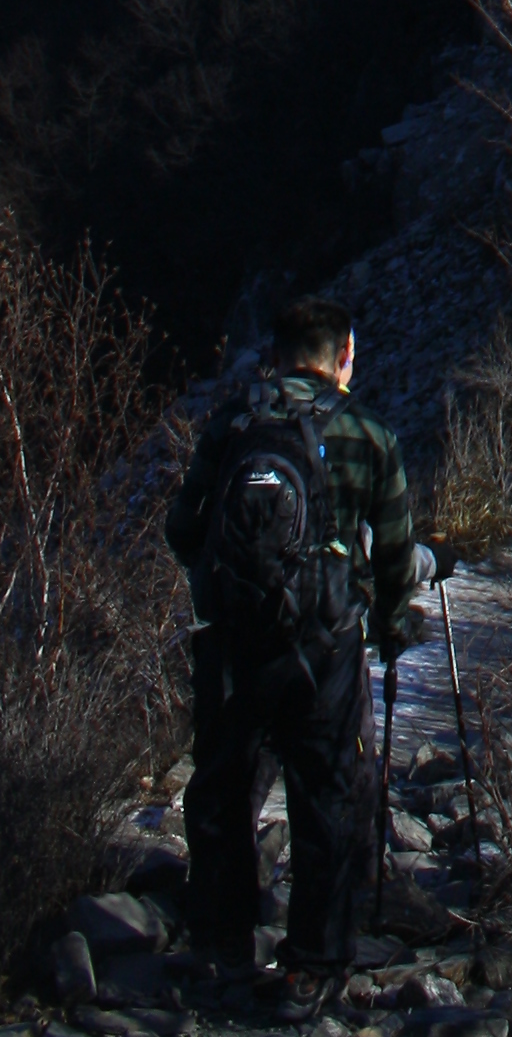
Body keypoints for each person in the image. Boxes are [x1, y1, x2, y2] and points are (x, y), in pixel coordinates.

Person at [166, 295, 427, 978]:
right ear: (345, 357)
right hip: (324, 649)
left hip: (232, 644)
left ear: (274, 356)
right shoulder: (369, 433)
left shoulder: (232, 424)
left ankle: (221, 947)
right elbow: (397, 554)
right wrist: (393, 624)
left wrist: (233, 584)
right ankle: (314, 964)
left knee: (223, 790)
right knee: (327, 796)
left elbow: (182, 530)